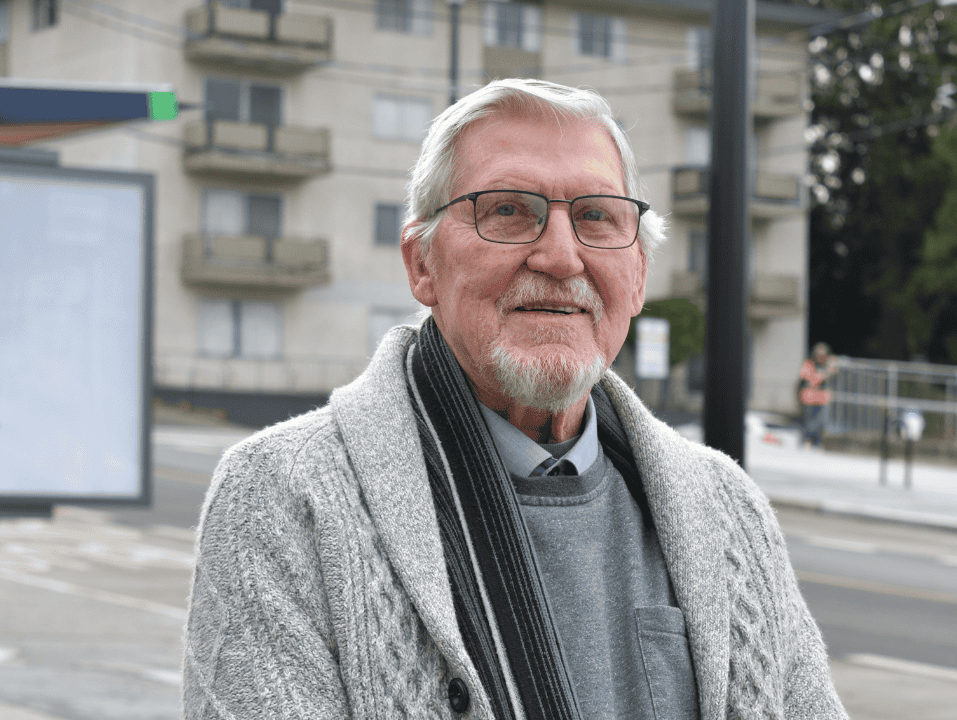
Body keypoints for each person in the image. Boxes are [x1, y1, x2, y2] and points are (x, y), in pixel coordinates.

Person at [182, 79, 848, 720]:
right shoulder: (284, 496)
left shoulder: (728, 510)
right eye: (507, 210)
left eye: (596, 217)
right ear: (421, 263)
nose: (561, 257)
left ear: (638, 276)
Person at [799, 342, 838, 448]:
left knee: (821, 422)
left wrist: (830, 368)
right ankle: (806, 441)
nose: (821, 357)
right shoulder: (809, 364)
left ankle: (817, 442)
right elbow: (810, 380)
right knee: (809, 422)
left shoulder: (827, 365)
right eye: (819, 355)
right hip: (809, 398)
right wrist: (823, 375)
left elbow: (833, 372)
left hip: (822, 399)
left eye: (823, 355)